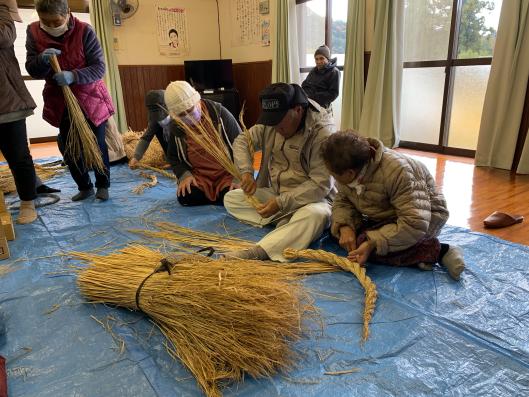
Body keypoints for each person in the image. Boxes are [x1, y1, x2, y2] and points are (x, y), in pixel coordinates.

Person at [320, 130, 465, 280]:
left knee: (365, 244)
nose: (332, 176)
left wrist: (372, 243)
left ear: (349, 173)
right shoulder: (353, 168)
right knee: (337, 233)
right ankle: (415, 256)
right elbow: (343, 200)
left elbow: (414, 223)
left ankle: (440, 250)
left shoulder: (398, 171)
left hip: (425, 217)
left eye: (334, 174)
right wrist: (345, 227)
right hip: (386, 215)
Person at [223, 83, 336, 262]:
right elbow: (242, 141)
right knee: (231, 198)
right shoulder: (273, 122)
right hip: (277, 195)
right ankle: (290, 227)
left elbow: (320, 184)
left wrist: (281, 203)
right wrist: (246, 172)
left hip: (313, 201)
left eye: (280, 123)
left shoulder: (322, 133)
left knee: (316, 216)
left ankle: (259, 252)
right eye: (272, 122)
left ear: (298, 110)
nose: (275, 128)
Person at [26, 0, 114, 201]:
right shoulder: (33, 32)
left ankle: (103, 185)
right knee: (69, 146)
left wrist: (73, 76)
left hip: (90, 98)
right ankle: (84, 186)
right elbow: (32, 68)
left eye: (56, 21)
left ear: (67, 13)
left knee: (97, 144)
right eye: (45, 21)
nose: (51, 26)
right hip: (60, 101)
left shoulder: (84, 31)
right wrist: (41, 61)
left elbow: (99, 68)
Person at [164, 81, 241, 206]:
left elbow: (242, 147)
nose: (188, 117)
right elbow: (173, 157)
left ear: (197, 101)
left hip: (227, 174)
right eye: (182, 115)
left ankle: (222, 195)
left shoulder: (220, 114)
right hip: (200, 177)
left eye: (190, 110)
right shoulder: (176, 127)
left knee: (233, 197)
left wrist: (238, 177)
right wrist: (184, 175)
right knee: (186, 197)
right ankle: (217, 196)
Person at [0, 0, 39, 223]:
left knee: (18, 156)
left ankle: (27, 202)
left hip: (7, 102)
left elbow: (5, 37)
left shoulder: (3, 12)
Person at [129, 90, 171, 169]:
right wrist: (136, 158)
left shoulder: (178, 111)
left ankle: (176, 160)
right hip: (169, 146)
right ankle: (170, 158)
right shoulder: (154, 119)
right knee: (157, 129)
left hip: (183, 146)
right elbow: (146, 137)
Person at [301, 45, 340, 109]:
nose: (318, 62)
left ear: (327, 59)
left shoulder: (334, 72)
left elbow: (333, 94)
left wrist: (312, 96)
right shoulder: (314, 70)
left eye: (321, 58)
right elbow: (304, 84)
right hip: (309, 104)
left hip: (322, 108)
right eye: (316, 59)